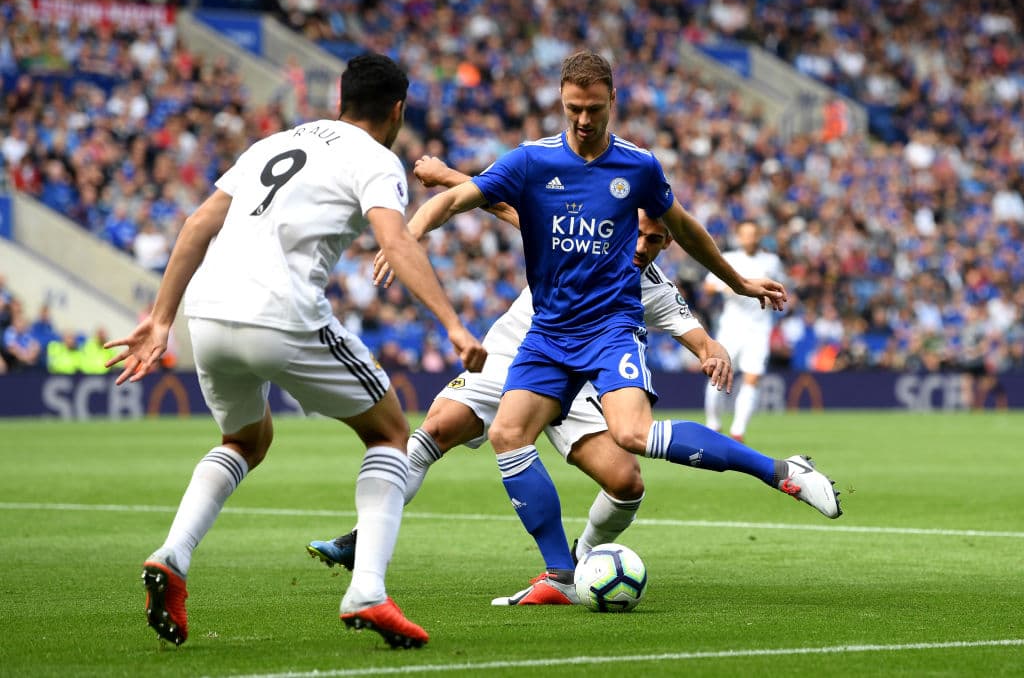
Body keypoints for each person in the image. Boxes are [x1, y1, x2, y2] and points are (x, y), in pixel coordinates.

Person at [383, 51, 841, 605]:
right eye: (574, 108)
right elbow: (460, 199)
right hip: (547, 334)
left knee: (633, 437)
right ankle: (560, 575)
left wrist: (738, 280)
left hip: (609, 329)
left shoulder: (638, 167)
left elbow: (685, 228)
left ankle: (780, 471)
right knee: (508, 435)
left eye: (594, 109)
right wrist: (409, 230)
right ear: (560, 100)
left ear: (612, 103)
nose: (583, 120)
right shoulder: (532, 161)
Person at [104, 53, 486, 649]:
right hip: (280, 316)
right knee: (389, 433)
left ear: (340, 99)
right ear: (397, 111)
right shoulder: (377, 159)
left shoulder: (272, 143)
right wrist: (454, 325)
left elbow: (201, 221)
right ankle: (368, 591)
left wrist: (160, 319)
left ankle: (172, 556)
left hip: (207, 314)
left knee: (245, 441)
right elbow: (396, 240)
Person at [703, 220, 785, 442]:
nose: (750, 238)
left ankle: (738, 431)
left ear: (759, 235)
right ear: (739, 237)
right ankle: (713, 425)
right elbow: (708, 285)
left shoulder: (772, 261)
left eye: (753, 234)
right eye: (745, 234)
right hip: (732, 327)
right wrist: (727, 286)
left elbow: (781, 290)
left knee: (752, 378)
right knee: (718, 375)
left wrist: (773, 298)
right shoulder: (729, 259)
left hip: (759, 328)